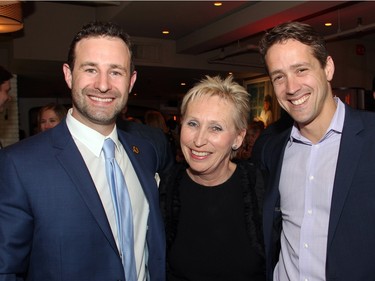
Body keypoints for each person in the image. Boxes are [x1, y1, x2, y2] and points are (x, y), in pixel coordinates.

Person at [0, 21, 165, 281]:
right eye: (90, 69)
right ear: (68, 74)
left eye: (116, 72)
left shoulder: (144, 152)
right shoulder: (18, 165)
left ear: (131, 81)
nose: (102, 85)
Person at [258, 21, 375, 281]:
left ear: (328, 68)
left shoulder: (371, 139)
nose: (291, 87)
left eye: (301, 69)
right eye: (279, 76)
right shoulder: (271, 148)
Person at [159, 75, 266, 281]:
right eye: (192, 124)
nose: (199, 140)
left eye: (215, 128)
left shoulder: (262, 190)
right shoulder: (163, 189)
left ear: (238, 138)